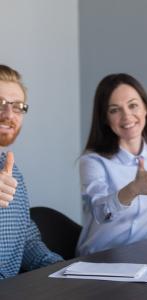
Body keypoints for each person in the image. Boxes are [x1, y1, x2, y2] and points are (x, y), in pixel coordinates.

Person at [77, 73, 147, 256]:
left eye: (133, 106)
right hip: (100, 262)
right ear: (105, 119)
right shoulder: (92, 162)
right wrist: (133, 189)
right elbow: (101, 213)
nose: (127, 116)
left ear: (145, 108)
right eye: (114, 110)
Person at [0, 64, 62, 278]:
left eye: (17, 106)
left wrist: (58, 268)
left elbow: (25, 240)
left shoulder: (12, 172)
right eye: (0, 103)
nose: (9, 114)